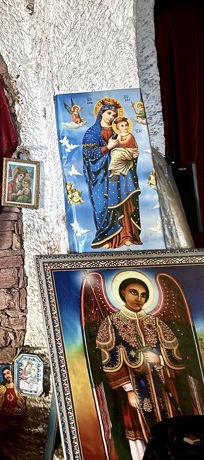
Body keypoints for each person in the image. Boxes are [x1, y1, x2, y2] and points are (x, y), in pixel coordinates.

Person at [96, 277, 185, 460]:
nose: (139, 298)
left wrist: (159, 359)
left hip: (163, 388)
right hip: (136, 388)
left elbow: (176, 355)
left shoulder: (157, 322)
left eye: (143, 295)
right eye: (133, 292)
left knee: (170, 430)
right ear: (122, 293)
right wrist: (128, 389)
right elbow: (108, 358)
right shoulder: (111, 323)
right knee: (139, 435)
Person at [82, 99, 142, 248]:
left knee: (125, 202)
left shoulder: (120, 131)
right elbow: (89, 154)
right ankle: (108, 239)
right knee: (103, 205)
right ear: (101, 113)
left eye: (114, 114)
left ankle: (127, 235)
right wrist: (107, 148)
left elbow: (131, 148)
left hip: (121, 175)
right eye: (109, 113)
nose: (111, 116)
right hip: (101, 176)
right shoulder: (92, 132)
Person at [108, 117, 139, 182]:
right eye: (122, 126)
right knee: (114, 154)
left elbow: (124, 143)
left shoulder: (129, 135)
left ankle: (117, 172)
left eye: (126, 125)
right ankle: (114, 172)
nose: (125, 127)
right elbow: (117, 142)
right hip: (124, 150)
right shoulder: (119, 135)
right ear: (118, 128)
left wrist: (117, 141)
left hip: (131, 151)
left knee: (117, 155)